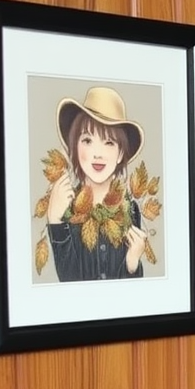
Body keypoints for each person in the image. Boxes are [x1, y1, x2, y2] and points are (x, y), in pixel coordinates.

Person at [44, 86, 148, 281]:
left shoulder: (130, 210)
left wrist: (132, 262)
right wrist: (55, 222)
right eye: (87, 140)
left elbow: (131, 295)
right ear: (75, 146)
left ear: (120, 154)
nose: (97, 153)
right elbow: (69, 282)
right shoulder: (67, 209)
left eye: (109, 142)